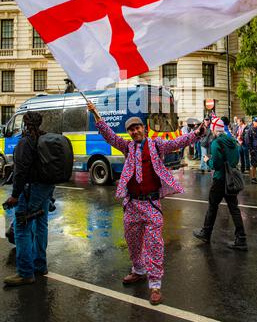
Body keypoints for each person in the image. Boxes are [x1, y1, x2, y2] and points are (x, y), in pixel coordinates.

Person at [87, 101, 203, 305]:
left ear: (144, 129)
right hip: (131, 205)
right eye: (131, 129)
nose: (134, 131)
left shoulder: (157, 145)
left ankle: (155, 285)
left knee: (154, 244)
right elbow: (109, 135)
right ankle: (138, 270)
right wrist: (96, 113)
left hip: (151, 205)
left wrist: (197, 134)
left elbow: (178, 142)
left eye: (137, 127)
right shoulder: (127, 146)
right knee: (132, 242)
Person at [3, 112, 55, 286]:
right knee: (41, 224)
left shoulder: (25, 142)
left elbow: (20, 172)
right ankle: (40, 265)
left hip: (30, 190)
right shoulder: (44, 139)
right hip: (46, 188)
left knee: (21, 227)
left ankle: (25, 272)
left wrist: (15, 195)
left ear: (25, 125)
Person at [193, 117, 248, 251]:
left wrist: (207, 160)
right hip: (230, 180)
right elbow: (235, 159)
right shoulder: (233, 141)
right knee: (234, 209)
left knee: (212, 206)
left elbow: (216, 165)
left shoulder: (216, 143)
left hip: (219, 179)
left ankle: (206, 233)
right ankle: (241, 238)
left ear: (214, 129)